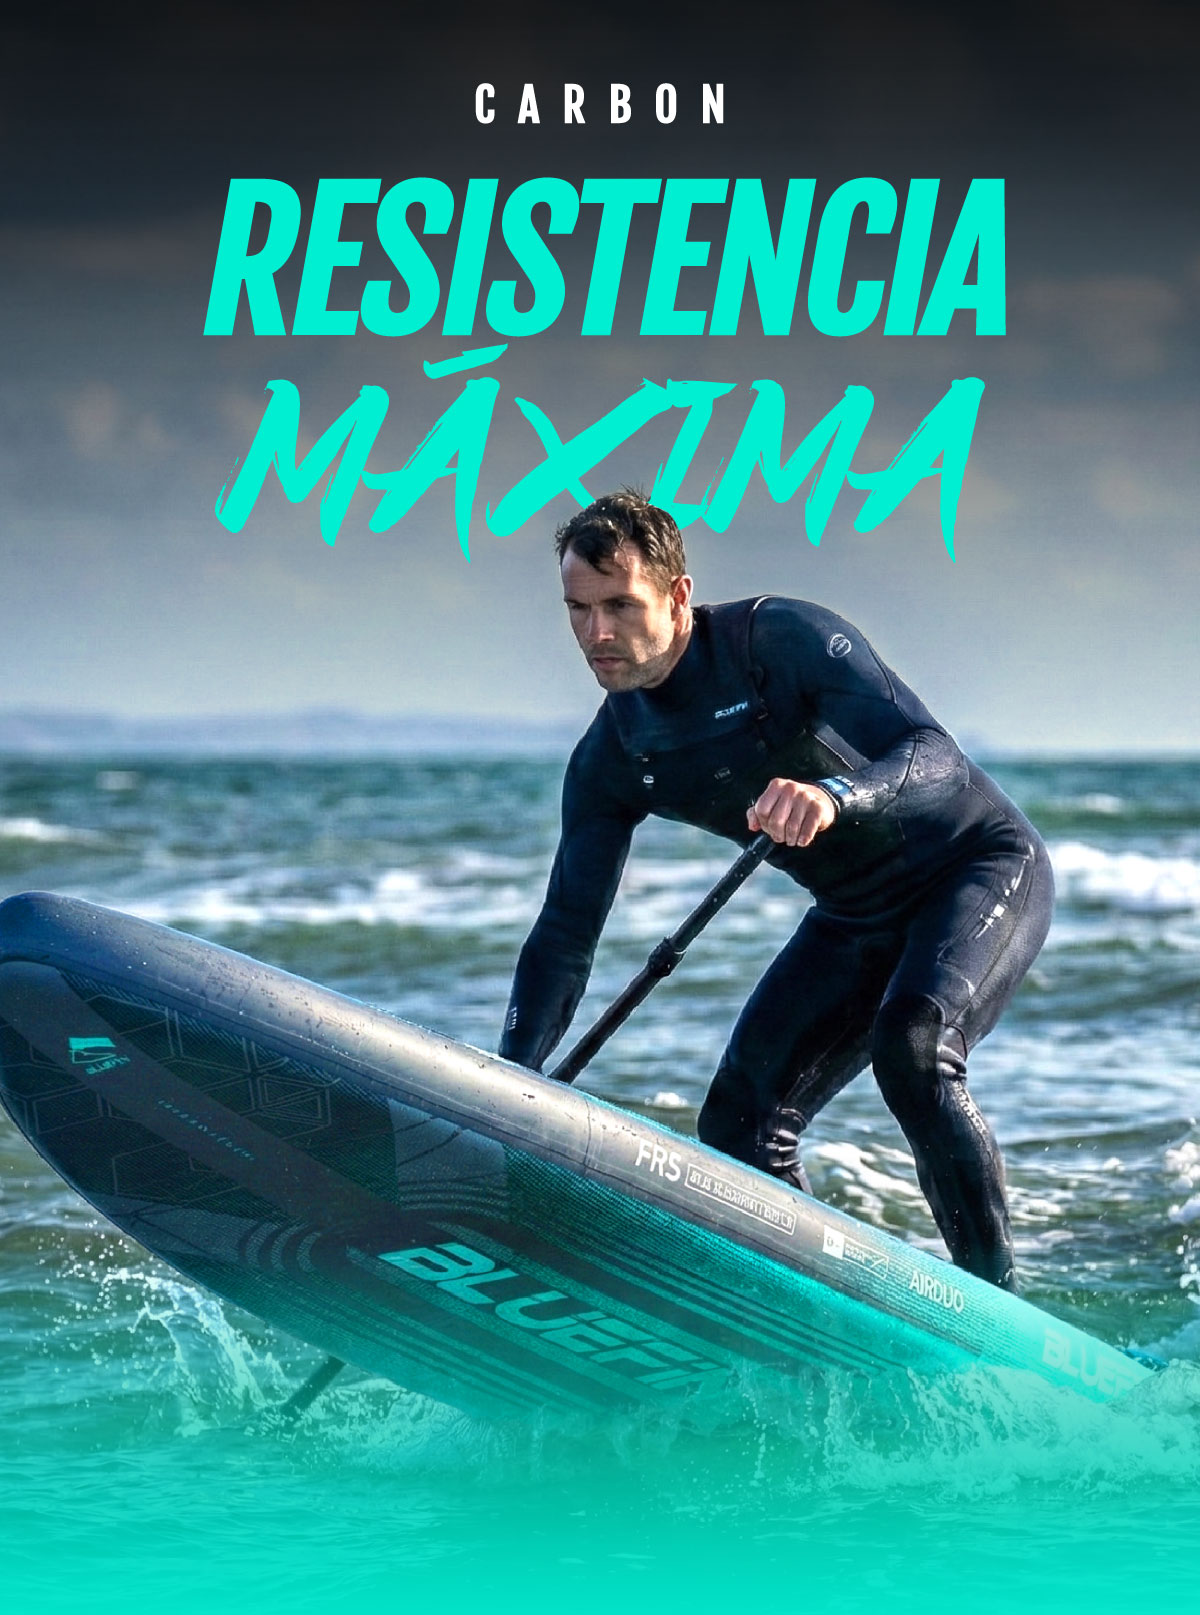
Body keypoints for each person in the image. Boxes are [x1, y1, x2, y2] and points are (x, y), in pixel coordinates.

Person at [499, 491, 1053, 1291]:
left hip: (978, 867)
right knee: (739, 1120)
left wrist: (836, 796)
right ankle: (821, 1305)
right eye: (578, 609)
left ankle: (997, 1308)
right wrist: (510, 1084)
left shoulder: (779, 642)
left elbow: (935, 755)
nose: (598, 634)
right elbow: (564, 933)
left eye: (621, 603)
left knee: (914, 1046)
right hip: (857, 914)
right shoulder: (613, 755)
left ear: (678, 595)